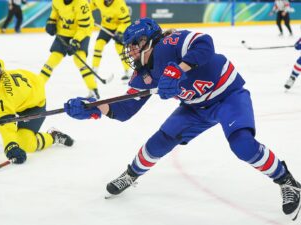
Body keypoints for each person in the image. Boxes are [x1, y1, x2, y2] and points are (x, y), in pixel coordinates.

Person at [63, 18, 301, 220]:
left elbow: (204, 43)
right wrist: (92, 109)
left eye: (134, 45)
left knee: (242, 144)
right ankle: (131, 175)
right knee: (160, 141)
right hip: (195, 107)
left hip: (227, 94)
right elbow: (125, 110)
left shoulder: (170, 43)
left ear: (148, 41)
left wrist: (179, 68)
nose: (131, 51)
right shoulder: (142, 74)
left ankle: (287, 181)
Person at [40, 0, 100, 99]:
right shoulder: (57, 1)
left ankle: (93, 89)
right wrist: (51, 21)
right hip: (64, 31)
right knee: (53, 59)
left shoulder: (82, 4)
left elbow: (83, 27)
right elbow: (55, 10)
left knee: (79, 60)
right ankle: (38, 87)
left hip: (82, 32)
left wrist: (76, 41)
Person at [90, 0, 131, 81]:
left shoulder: (120, 4)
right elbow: (88, 8)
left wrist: (119, 32)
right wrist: (88, 18)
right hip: (106, 27)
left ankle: (128, 71)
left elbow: (126, 22)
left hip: (118, 28)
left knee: (119, 48)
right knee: (98, 45)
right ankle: (94, 69)